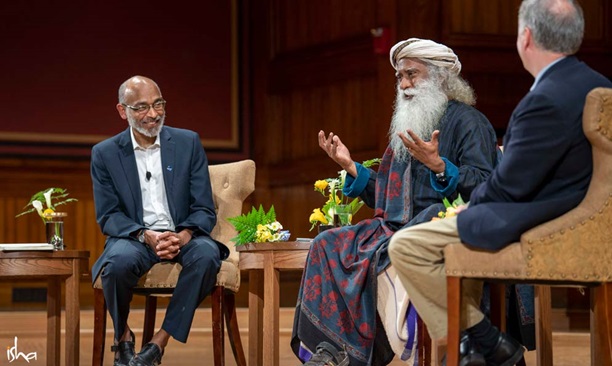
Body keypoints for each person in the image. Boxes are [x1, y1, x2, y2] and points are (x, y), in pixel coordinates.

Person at [388, 0, 612, 365]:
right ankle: (475, 348)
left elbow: (508, 185)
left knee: (406, 246)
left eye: (411, 74)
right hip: (584, 222)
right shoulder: (599, 86)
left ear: (525, 37)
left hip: (542, 223)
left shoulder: (544, 100)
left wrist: (466, 208)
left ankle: (485, 342)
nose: (404, 82)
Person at [291, 38, 500, 366]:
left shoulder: (469, 123)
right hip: (394, 225)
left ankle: (353, 352)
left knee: (397, 242)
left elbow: (487, 184)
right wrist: (351, 167)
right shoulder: (409, 124)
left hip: (440, 225)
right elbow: (391, 199)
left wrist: (441, 167)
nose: (403, 84)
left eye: (411, 75)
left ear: (441, 77)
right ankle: (333, 351)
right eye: (399, 77)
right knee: (327, 243)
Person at [90, 75, 228, 366]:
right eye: (141, 107)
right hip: (136, 237)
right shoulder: (104, 154)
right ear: (122, 110)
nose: (152, 114)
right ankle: (123, 335)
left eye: (158, 104)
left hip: (182, 233)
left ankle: (158, 342)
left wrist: (184, 235)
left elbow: (203, 207)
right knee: (116, 264)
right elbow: (108, 215)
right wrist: (145, 236)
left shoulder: (187, 142)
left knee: (207, 255)